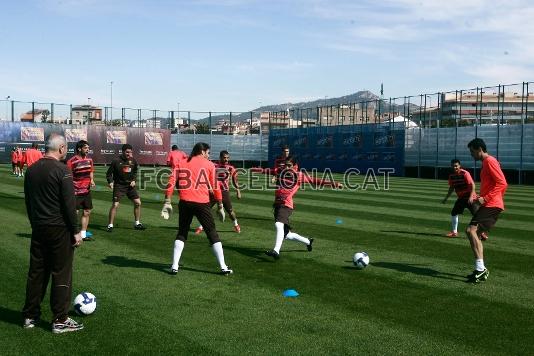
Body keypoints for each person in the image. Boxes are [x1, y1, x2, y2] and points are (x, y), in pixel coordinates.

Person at [22, 133, 84, 333]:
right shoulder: (62, 170)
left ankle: (30, 316)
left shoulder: (31, 171)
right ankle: (60, 319)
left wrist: (35, 224)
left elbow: (29, 203)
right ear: (61, 149)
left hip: (39, 228)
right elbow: (69, 205)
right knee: (61, 273)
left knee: (36, 273)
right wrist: (76, 231)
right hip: (59, 230)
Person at [170, 142, 233, 275]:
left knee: (182, 233)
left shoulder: (182, 162)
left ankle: (174, 265)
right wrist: (220, 205)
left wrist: (167, 200)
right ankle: (223, 266)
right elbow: (216, 186)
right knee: (212, 233)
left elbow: (171, 181)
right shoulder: (209, 164)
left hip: (185, 202)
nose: (208, 156)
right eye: (208, 153)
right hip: (202, 203)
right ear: (203, 151)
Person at [264, 159, 342, 260]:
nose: (287, 168)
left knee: (278, 224)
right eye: (285, 165)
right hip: (277, 206)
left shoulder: (299, 176)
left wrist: (334, 184)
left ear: (295, 166)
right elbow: (272, 172)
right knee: (286, 234)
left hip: (286, 205)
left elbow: (315, 181)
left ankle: (276, 251)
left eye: (289, 165)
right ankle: (308, 242)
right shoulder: (282, 171)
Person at [465, 138, 508, 283]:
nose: (471, 155)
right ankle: (480, 269)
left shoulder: (490, 161)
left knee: (470, 231)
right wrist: (479, 196)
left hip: (492, 204)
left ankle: (481, 269)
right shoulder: (485, 163)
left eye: (472, 151)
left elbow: (502, 183)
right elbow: (492, 185)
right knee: (474, 233)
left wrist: (486, 198)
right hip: (489, 203)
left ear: (479, 149)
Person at [195, 150, 242, 234]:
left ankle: (236, 225)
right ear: (220, 157)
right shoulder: (213, 165)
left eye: (228, 158)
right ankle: (201, 227)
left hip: (224, 192)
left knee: (230, 211)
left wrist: (238, 191)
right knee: (206, 210)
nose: (226, 159)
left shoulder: (231, 168)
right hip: (213, 192)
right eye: (224, 158)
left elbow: (235, 180)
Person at [106, 144, 146, 232]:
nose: (129, 154)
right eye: (127, 152)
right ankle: (110, 225)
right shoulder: (116, 161)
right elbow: (109, 174)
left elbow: (135, 171)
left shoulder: (133, 160)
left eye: (130, 152)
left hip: (130, 186)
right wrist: (110, 182)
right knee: (115, 205)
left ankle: (137, 223)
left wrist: (134, 180)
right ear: (123, 151)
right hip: (119, 186)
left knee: (138, 203)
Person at [67, 140, 96, 241]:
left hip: (86, 192)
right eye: (85, 148)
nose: (88, 150)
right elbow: (68, 177)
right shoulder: (72, 161)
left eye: (88, 148)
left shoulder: (89, 160)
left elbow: (91, 171)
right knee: (74, 213)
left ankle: (83, 234)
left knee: (87, 212)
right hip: (75, 192)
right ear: (79, 149)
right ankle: (73, 233)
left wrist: (91, 180)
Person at [441, 159, 477, 238]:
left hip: (470, 197)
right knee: (454, 213)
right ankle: (454, 232)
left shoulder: (465, 173)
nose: (455, 167)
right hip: (461, 198)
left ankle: (482, 233)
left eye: (456, 166)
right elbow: (451, 187)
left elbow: (472, 185)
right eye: (453, 166)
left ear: (459, 166)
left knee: (477, 215)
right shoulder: (451, 176)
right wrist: (446, 198)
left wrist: (471, 197)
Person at [161, 145, 188, 220]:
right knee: (181, 188)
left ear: (172, 149)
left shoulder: (171, 153)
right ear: (178, 149)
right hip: (183, 172)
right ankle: (184, 200)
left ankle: (166, 202)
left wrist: (172, 164)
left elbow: (168, 162)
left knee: (170, 186)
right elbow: (187, 160)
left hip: (175, 172)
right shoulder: (182, 152)